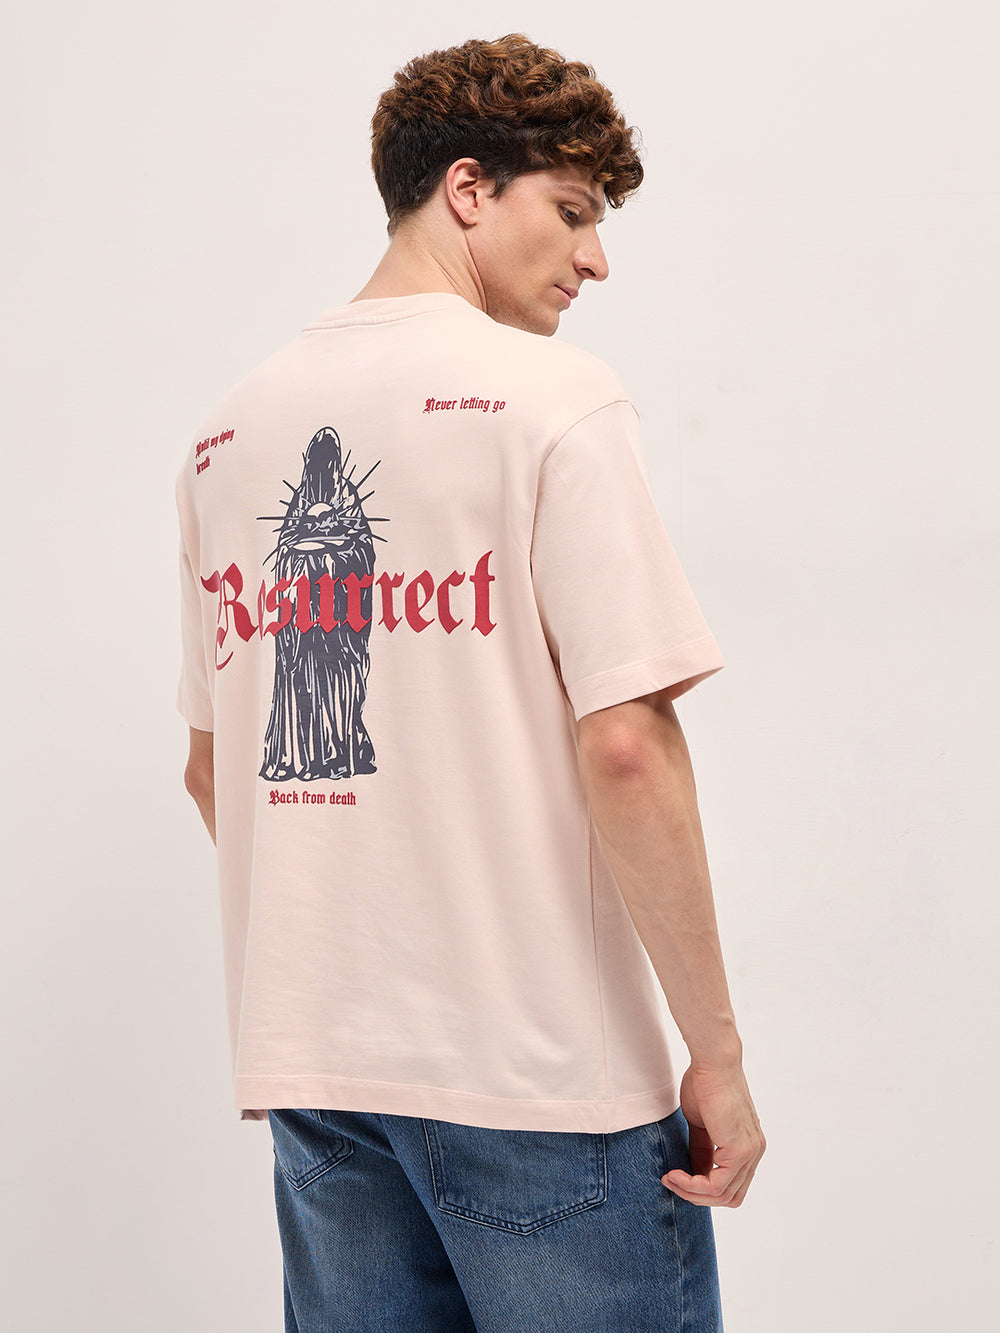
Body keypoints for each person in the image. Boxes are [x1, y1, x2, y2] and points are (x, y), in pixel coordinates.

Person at [177, 32, 764, 1332]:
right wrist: (716, 1053)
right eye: (574, 211)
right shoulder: (553, 402)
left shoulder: (226, 436)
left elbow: (216, 768)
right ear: (466, 190)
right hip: (545, 1082)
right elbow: (627, 743)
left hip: (323, 1078)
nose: (595, 260)